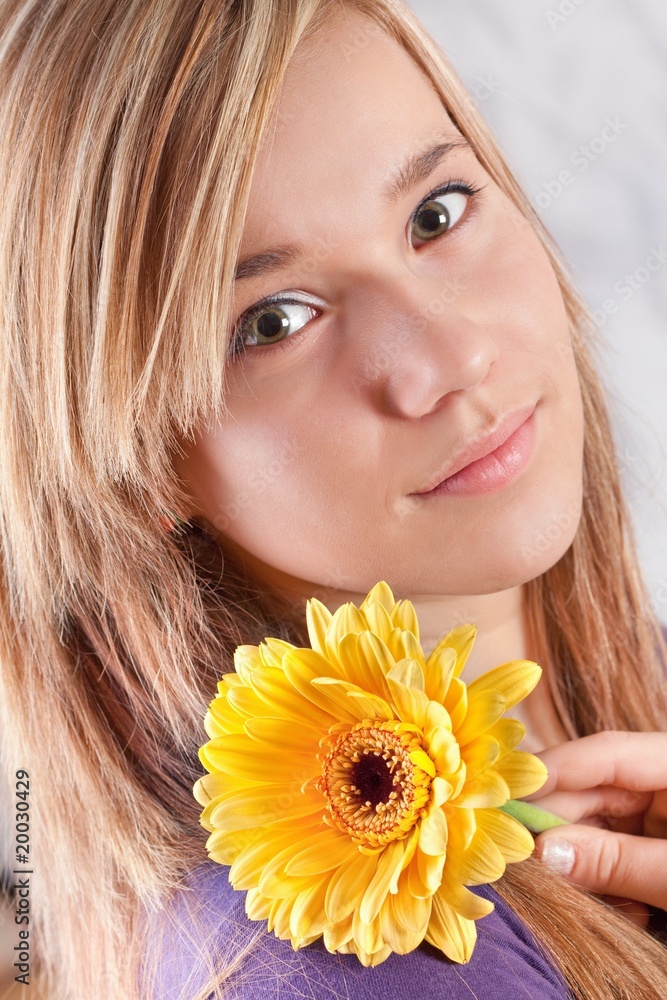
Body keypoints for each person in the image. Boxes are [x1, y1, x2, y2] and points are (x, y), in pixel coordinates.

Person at [0, 0, 666, 997]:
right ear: (134, 475)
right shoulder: (360, 964)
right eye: (272, 321)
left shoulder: (624, 681)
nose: (450, 359)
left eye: (435, 214)